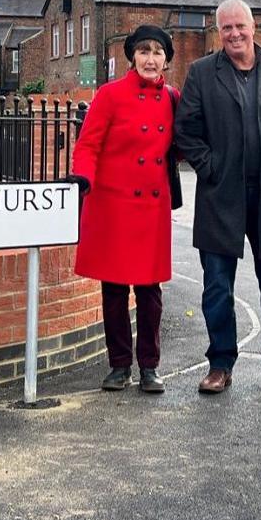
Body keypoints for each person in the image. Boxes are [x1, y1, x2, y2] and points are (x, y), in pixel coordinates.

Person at [175, 0, 261, 396]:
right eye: (226, 28)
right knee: (217, 286)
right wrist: (211, 167)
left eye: (240, 26)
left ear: (253, 27)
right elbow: (186, 130)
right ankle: (220, 364)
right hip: (221, 196)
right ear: (219, 33)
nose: (234, 33)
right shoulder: (201, 73)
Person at [70, 25, 180, 393]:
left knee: (150, 291)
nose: (151, 58)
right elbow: (88, 145)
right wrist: (82, 177)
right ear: (132, 56)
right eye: (144, 51)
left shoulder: (174, 99)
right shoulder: (110, 95)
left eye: (158, 52)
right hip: (113, 203)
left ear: (166, 59)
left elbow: (182, 146)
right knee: (114, 288)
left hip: (151, 206)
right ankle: (119, 365)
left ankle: (149, 366)